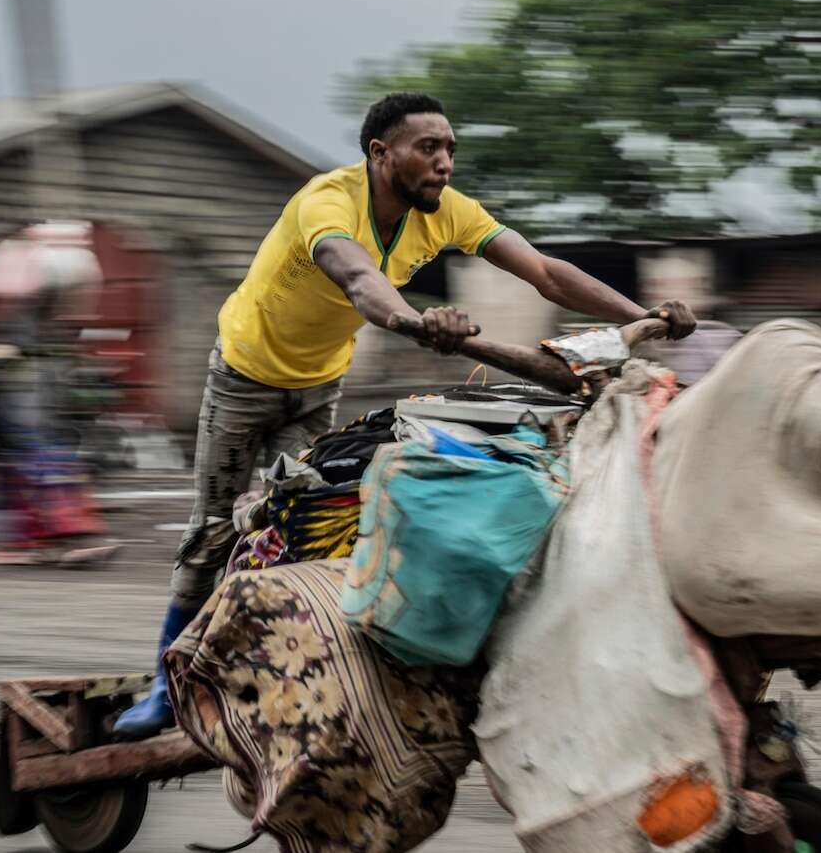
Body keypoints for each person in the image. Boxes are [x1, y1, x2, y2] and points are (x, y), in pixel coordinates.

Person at [113, 92, 696, 739]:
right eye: (428, 148)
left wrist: (644, 316)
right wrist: (415, 321)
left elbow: (547, 273)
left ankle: (278, 668)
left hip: (316, 386)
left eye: (449, 149)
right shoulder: (327, 203)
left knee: (307, 521)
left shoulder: (446, 213)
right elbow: (358, 278)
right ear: (380, 154)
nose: (444, 162)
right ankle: (168, 685)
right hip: (244, 378)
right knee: (213, 532)